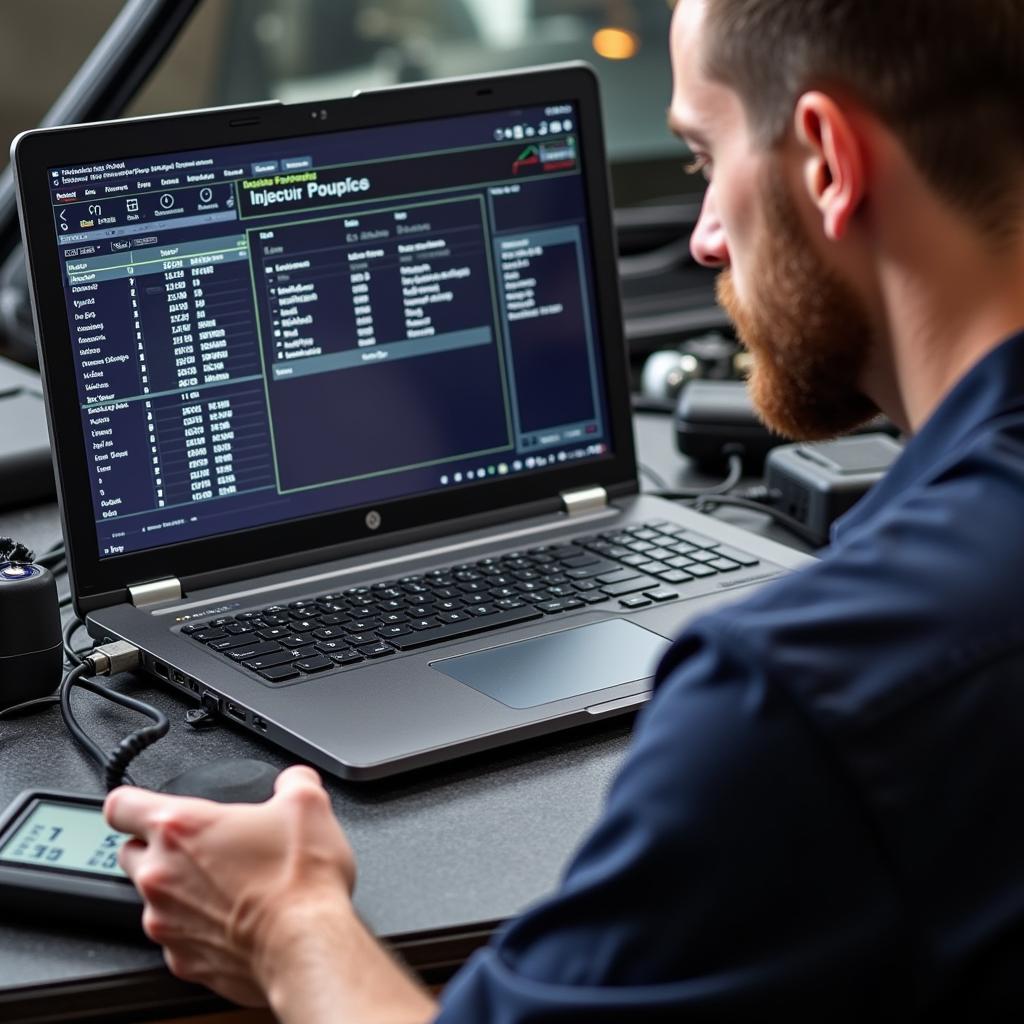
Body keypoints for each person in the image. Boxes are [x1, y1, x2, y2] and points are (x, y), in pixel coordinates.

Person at [104, 0, 1024, 1019]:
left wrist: (281, 925)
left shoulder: (805, 691)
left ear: (824, 162)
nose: (708, 239)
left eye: (701, 159)